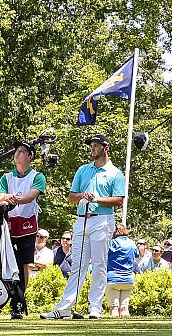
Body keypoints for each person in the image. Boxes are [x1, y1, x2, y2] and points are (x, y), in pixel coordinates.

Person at [42, 135, 126, 320]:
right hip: (82, 220)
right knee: (77, 266)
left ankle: (95, 307)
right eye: (92, 146)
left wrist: (97, 198)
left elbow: (119, 200)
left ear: (106, 148)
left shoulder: (115, 173)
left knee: (99, 266)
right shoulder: (83, 170)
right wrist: (82, 195)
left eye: (96, 145)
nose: (92, 148)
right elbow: (71, 197)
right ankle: (64, 308)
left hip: (103, 220)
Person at [0, 140, 46, 319]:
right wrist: (12, 198)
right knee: (6, 264)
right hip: (8, 225)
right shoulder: (6, 177)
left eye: (22, 151)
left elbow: (30, 197)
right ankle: (4, 298)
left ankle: (18, 301)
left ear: (30, 156)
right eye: (16, 150)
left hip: (27, 225)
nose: (17, 154)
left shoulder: (37, 177)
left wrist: (12, 198)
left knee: (24, 264)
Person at [106, 224, 137, 317]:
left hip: (113, 278)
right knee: (124, 309)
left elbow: (104, 255)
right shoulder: (132, 243)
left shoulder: (112, 243)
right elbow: (137, 254)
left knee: (114, 309)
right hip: (128, 279)